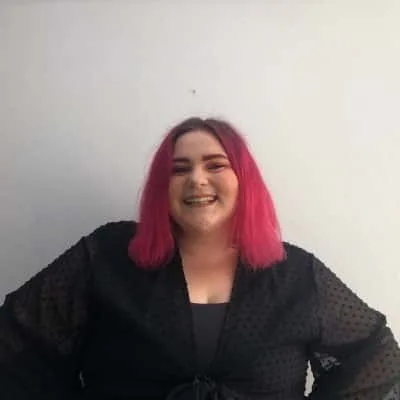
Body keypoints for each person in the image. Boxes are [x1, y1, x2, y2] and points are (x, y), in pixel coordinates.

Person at [0, 117, 399, 400]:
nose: (197, 179)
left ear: (243, 181)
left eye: (215, 165)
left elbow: (375, 356)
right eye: (179, 169)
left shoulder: (297, 275)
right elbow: (16, 336)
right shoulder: (106, 256)